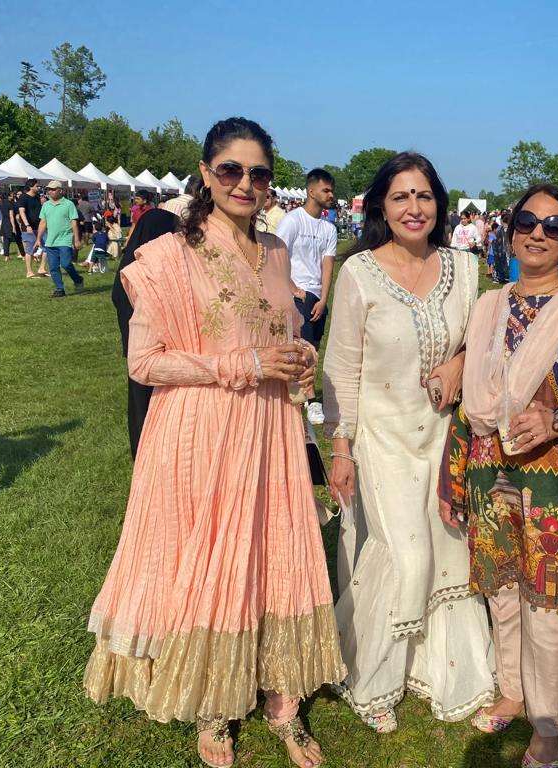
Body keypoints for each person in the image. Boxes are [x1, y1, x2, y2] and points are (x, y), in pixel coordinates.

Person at [86, 117, 344, 768]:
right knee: (210, 561)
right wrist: (243, 365)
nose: (245, 183)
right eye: (231, 169)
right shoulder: (170, 254)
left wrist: (299, 360)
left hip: (271, 430)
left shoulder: (278, 252)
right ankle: (213, 705)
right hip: (201, 429)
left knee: (272, 556)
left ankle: (283, 700)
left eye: (258, 173)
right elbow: (144, 362)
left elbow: (279, 333)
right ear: (206, 173)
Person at [323, 151, 495, 734]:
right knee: (404, 554)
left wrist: (459, 364)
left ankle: (442, 668)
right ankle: (373, 676)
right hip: (382, 438)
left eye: (423, 196)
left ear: (439, 205)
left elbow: (482, 342)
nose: (413, 207)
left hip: (445, 436)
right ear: (381, 206)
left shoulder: (464, 269)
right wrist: (340, 448)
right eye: (400, 196)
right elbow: (341, 370)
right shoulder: (359, 273)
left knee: (448, 551)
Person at [439, 183, 558, 768]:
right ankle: (512, 690)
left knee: (548, 606)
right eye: (527, 222)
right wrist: (454, 476)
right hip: (489, 471)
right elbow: (468, 402)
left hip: (555, 479)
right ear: (510, 233)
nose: (538, 233)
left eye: (554, 226)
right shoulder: (489, 305)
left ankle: (548, 724)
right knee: (504, 593)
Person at [111, 207, 181, 457]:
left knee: (141, 402)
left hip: (137, 348)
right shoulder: (150, 269)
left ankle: (142, 451)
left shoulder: (129, 266)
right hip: (158, 351)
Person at [275, 168, 338, 426]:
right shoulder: (292, 221)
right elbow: (277, 255)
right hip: (296, 294)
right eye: (326, 190)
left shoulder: (329, 229)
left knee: (314, 349)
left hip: (316, 296)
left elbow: (328, 265)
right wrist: (292, 288)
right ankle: (310, 401)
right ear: (311, 191)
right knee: (302, 348)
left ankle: (301, 394)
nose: (331, 195)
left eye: (332, 191)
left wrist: (323, 298)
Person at [35, 181, 85, 298]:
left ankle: (78, 279)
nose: (50, 191)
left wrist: (76, 239)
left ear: (60, 190)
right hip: (50, 241)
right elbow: (43, 222)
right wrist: (38, 239)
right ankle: (59, 289)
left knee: (66, 264)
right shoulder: (46, 205)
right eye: (49, 189)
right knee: (53, 267)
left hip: (65, 239)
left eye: (53, 189)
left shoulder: (68, 204)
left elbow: (74, 222)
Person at [18, 180, 48, 278]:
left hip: (40, 227)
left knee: (47, 246)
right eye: (37, 186)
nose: (38, 187)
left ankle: (42, 268)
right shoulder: (23, 197)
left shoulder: (37, 197)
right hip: (28, 228)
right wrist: (27, 225)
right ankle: (29, 272)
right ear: (31, 187)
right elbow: (21, 212)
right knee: (30, 249)